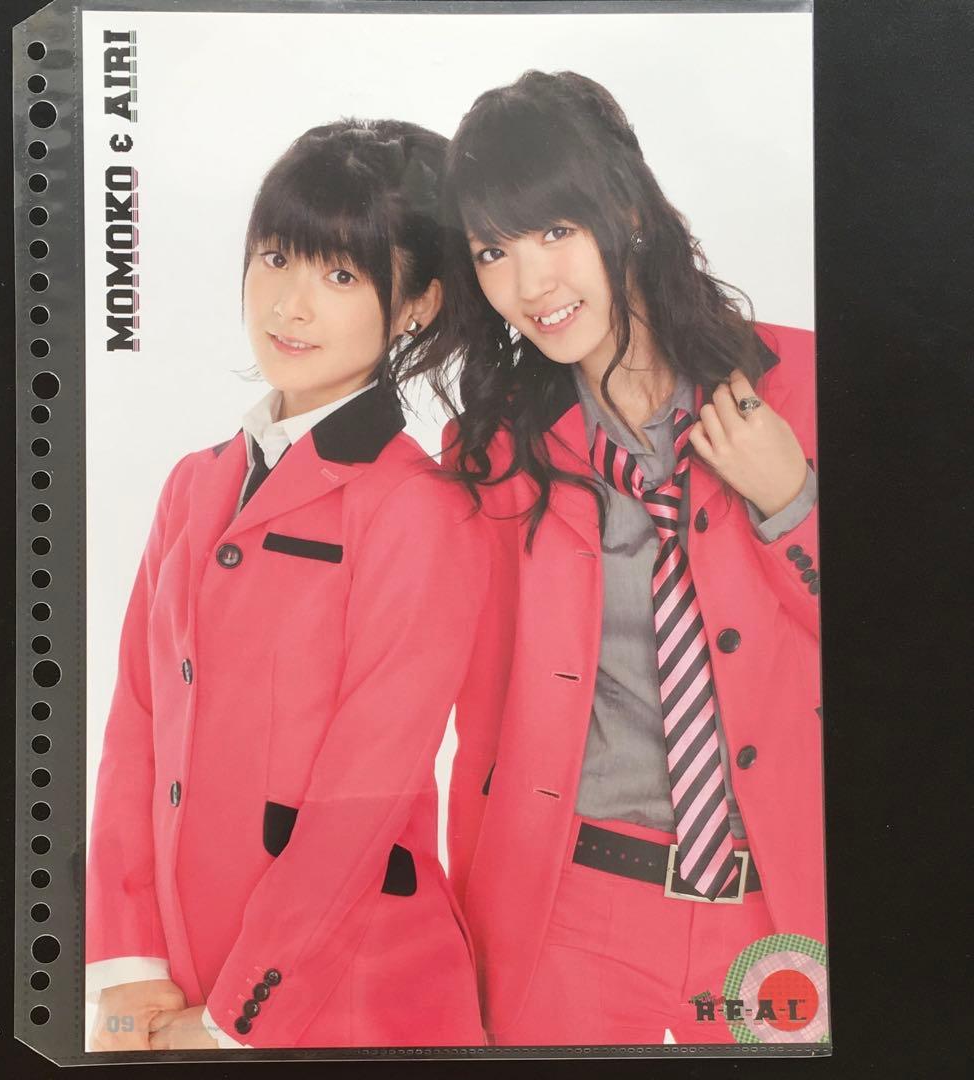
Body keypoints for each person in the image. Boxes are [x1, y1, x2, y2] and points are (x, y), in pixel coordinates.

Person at [418, 70, 825, 1045]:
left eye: (556, 230)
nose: (531, 285)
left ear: (630, 210)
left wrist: (791, 504)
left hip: (781, 916)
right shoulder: (489, 454)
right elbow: (442, 700)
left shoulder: (808, 383)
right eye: (494, 251)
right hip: (569, 916)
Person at [84, 119, 487, 1051]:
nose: (290, 306)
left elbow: (363, 802)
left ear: (416, 303)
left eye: (340, 276)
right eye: (276, 258)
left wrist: (234, 1021)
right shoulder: (194, 483)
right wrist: (128, 968)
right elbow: (135, 727)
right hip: (172, 980)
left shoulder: (419, 507)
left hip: (348, 999)